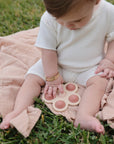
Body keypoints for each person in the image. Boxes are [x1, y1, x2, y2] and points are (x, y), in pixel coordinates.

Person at [0, 0, 114, 134]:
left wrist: (109, 60)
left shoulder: (108, 12)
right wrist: (51, 75)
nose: (68, 25)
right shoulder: (49, 19)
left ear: (95, 1)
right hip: (55, 64)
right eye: (61, 20)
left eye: (77, 20)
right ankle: (19, 110)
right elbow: (48, 50)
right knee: (32, 78)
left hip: (90, 66)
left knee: (99, 83)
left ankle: (84, 115)